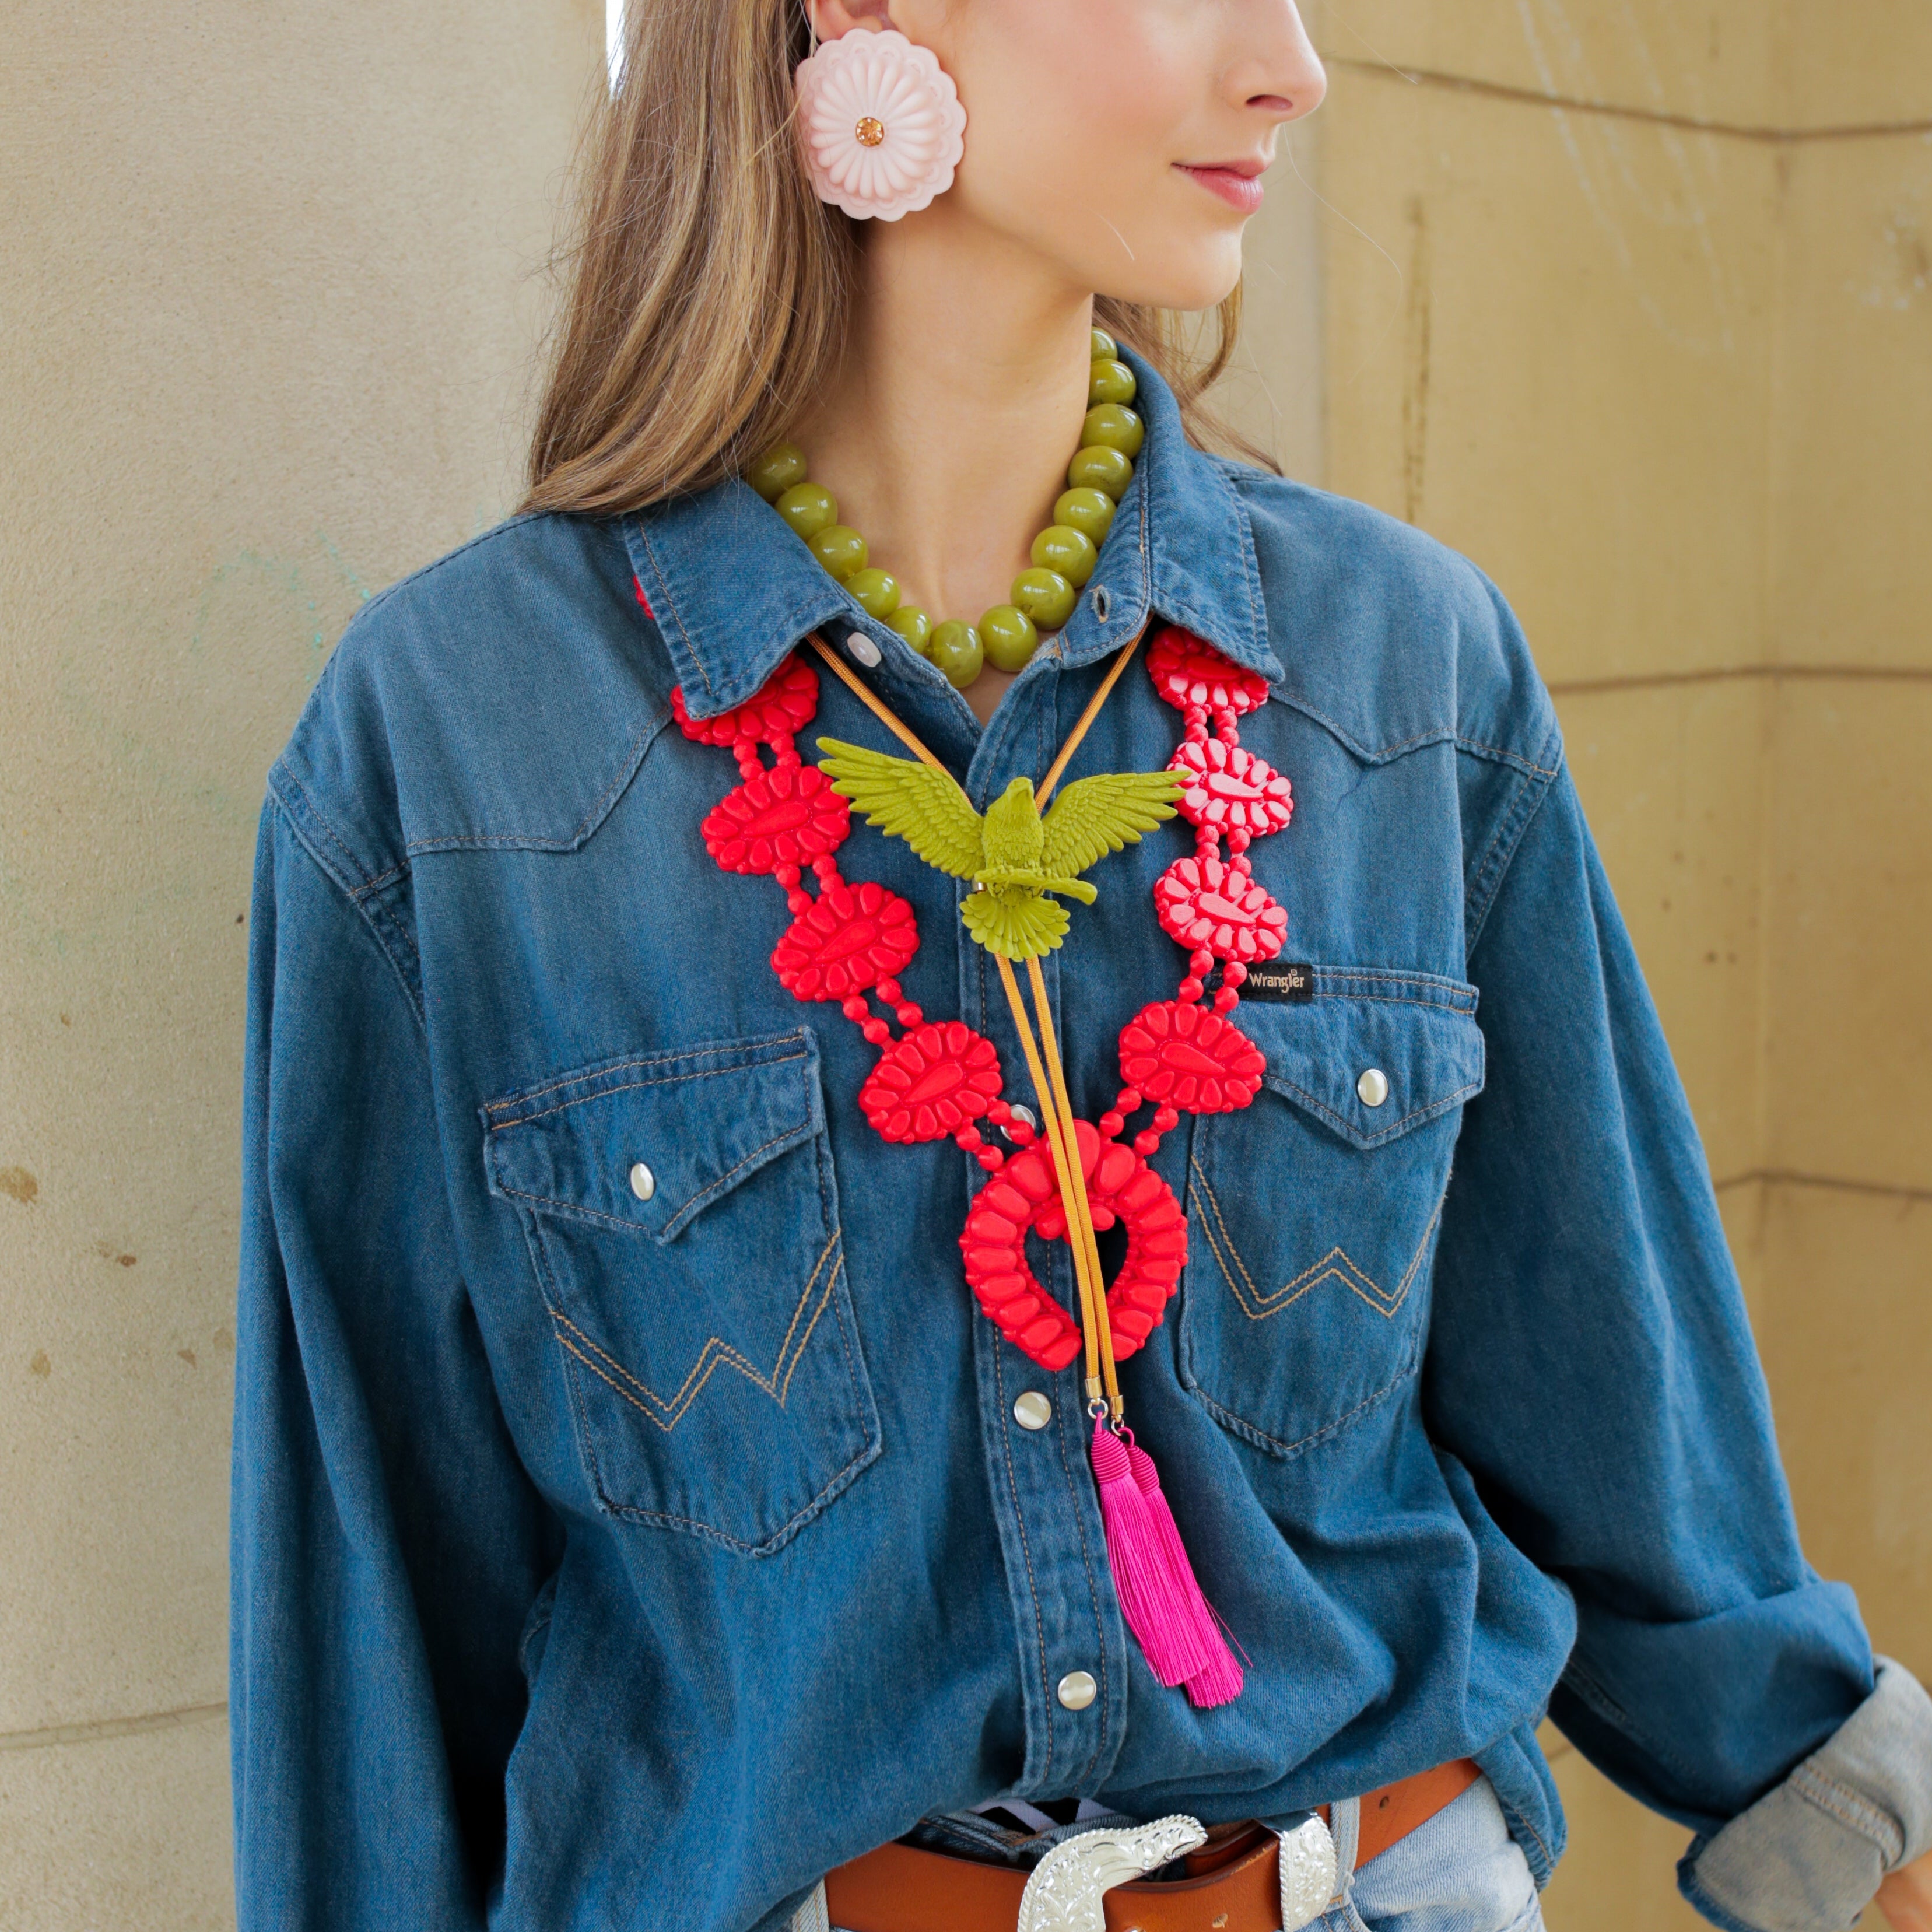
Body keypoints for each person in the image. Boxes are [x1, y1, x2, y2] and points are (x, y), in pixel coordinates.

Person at [229, 3, 1932, 1929]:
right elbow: (371, 1607)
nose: (1292, 67)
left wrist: (1849, 1814)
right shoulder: (457, 749)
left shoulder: (1406, 678)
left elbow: (1617, 1416)